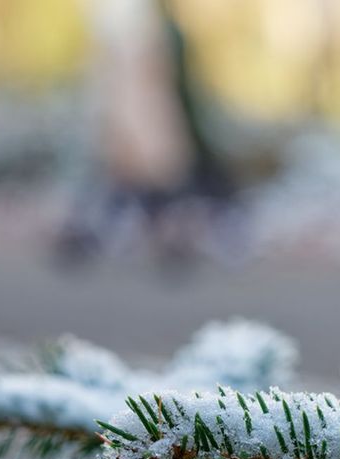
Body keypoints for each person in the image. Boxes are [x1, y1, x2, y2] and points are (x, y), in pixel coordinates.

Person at [55, 0, 239, 266]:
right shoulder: (129, 34)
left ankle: (162, 237)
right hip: (138, 125)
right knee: (139, 184)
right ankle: (160, 238)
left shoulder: (134, 34)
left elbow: (143, 83)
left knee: (146, 184)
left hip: (142, 124)